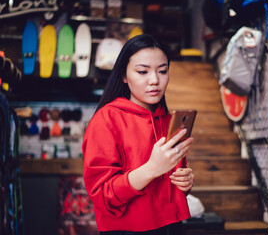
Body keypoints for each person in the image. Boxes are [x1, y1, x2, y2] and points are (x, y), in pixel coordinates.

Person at [82, 34, 195, 235]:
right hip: (127, 229)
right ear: (124, 76)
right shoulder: (107, 119)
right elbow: (102, 195)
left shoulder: (169, 121)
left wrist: (185, 182)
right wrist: (151, 169)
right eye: (143, 71)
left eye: (163, 71)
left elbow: (171, 185)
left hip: (172, 226)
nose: (155, 80)